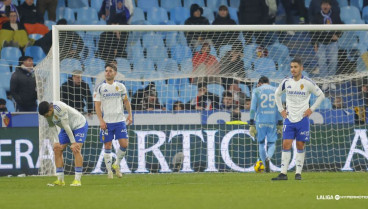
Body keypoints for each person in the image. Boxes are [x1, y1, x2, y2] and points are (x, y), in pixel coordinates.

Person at [272, 58, 325, 180]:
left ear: (301, 68)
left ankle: (298, 173)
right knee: (286, 144)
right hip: (289, 119)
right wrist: (281, 110)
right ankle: (283, 173)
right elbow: (277, 94)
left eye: (295, 67)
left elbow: (321, 95)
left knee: (300, 145)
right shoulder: (286, 81)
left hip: (303, 119)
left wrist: (311, 109)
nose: (293, 69)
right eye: (291, 67)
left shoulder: (307, 82)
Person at [94, 63, 133, 179]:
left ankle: (116, 164)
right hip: (107, 122)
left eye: (110, 71)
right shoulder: (100, 88)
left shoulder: (120, 86)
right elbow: (97, 105)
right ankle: (109, 171)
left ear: (115, 73)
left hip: (120, 120)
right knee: (107, 145)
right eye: (106, 71)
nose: (108, 73)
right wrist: (101, 120)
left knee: (124, 144)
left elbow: (126, 102)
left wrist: (130, 115)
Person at [38, 101, 88, 187]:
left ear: (51, 108)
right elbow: (52, 126)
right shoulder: (47, 113)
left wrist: (73, 143)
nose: (46, 117)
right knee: (57, 149)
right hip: (65, 128)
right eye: (45, 116)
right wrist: (56, 142)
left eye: (47, 115)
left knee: (76, 149)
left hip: (79, 125)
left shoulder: (60, 108)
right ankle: (60, 180)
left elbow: (66, 126)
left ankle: (77, 180)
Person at [249, 76, 283, 173]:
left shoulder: (256, 91)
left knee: (261, 143)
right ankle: (268, 158)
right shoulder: (275, 90)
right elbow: (279, 107)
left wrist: (251, 123)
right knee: (272, 143)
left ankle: (264, 164)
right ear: (268, 82)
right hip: (272, 120)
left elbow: (252, 108)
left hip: (260, 121)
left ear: (260, 83)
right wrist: (280, 122)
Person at [310, 0, 343, 76]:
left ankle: (331, 80)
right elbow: (312, 31)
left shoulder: (335, 15)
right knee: (322, 62)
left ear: (330, 6)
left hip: (333, 43)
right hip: (320, 43)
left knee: (333, 61)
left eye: (327, 5)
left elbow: (341, 26)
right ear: (321, 6)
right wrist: (314, 43)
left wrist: (337, 35)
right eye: (324, 4)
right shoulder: (316, 16)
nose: (325, 6)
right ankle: (325, 80)